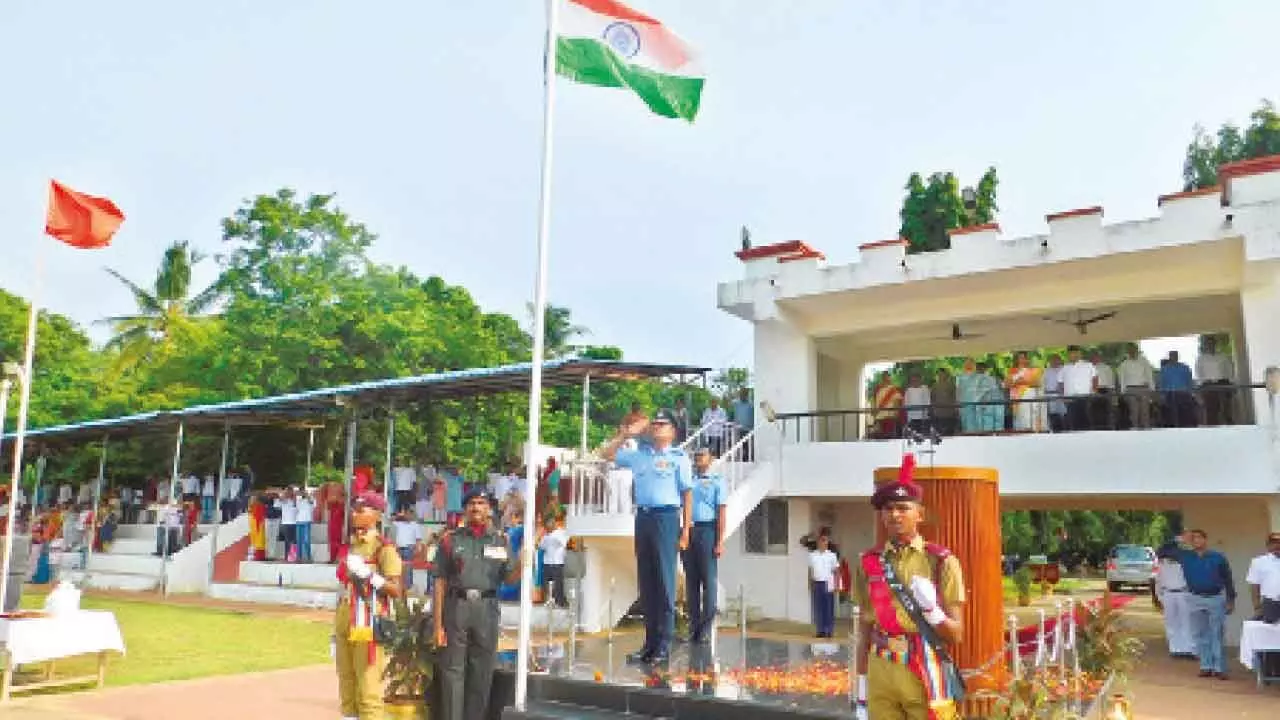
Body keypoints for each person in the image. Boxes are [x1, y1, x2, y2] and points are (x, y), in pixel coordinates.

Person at [853, 453, 965, 720]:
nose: (894, 514)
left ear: (920, 514)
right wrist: (860, 683)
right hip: (881, 664)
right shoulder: (868, 563)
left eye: (903, 508)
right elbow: (865, 626)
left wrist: (933, 611)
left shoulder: (941, 562)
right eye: (888, 508)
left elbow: (957, 634)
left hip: (923, 663)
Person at [601, 408, 693, 665]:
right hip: (643, 517)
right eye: (654, 424)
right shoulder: (639, 455)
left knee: (664, 582)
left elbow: (687, 495)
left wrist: (686, 530)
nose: (656, 427)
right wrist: (624, 434)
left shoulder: (679, 458)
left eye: (662, 424)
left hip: (666, 518)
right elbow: (607, 455)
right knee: (647, 582)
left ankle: (663, 644)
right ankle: (649, 644)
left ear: (673, 431)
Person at [433, 487, 520, 720]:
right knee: (453, 671)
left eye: (481, 503)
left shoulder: (500, 541)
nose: (476, 507)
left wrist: (523, 561)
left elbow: (510, 577)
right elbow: (440, 583)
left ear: (489, 508)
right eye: (471, 503)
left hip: (487, 609)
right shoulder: (450, 541)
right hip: (457, 608)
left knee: (481, 672)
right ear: (465, 509)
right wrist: (437, 625)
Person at [333, 491, 402, 720]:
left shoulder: (384, 548)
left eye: (362, 509)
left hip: (367, 620)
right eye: (354, 509)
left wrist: (370, 576)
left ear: (377, 516)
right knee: (346, 679)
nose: (355, 513)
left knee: (368, 684)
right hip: (345, 616)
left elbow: (396, 589)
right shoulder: (350, 544)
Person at [1174, 529, 1235, 679]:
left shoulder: (1217, 557)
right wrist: (1180, 539)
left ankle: (1219, 668)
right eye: (1193, 539)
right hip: (1195, 598)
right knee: (1200, 634)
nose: (1196, 541)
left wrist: (1231, 599)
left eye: (1199, 538)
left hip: (1215, 598)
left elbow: (1228, 579)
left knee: (1216, 633)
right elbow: (1162, 551)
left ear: (1205, 540)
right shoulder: (1186, 556)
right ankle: (1205, 666)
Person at [681, 447, 725, 645]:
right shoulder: (688, 479)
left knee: (708, 582)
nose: (698, 458)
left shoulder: (717, 481)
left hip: (708, 530)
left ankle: (706, 629)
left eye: (702, 455)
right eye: (696, 455)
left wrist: (720, 540)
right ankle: (693, 628)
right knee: (691, 582)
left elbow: (721, 512)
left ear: (711, 458)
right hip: (689, 530)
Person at [1155, 543, 1195, 658]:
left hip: (1183, 593)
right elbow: (1158, 581)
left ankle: (1188, 648)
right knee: (1171, 622)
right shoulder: (1162, 564)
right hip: (1168, 593)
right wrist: (1160, 597)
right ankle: (1175, 648)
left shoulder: (1184, 564)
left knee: (1186, 621)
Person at [809, 534, 839, 638]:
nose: (824, 543)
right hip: (817, 583)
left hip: (828, 583)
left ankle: (829, 630)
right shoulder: (812, 555)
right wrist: (810, 583)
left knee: (829, 607)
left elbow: (836, 571)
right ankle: (820, 630)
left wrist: (836, 584)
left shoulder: (832, 555)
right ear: (818, 543)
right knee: (818, 607)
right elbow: (811, 570)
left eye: (825, 541)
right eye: (822, 541)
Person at [1245, 532, 1280, 623]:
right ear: (1268, 545)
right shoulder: (1258, 562)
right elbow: (1254, 586)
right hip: (1270, 603)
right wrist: (1257, 608)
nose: (1277, 545)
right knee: (1270, 632)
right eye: (1274, 542)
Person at [539, 515, 569, 607]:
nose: (548, 527)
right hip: (547, 562)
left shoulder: (561, 533)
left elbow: (565, 543)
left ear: (553, 524)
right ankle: (548, 600)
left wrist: (552, 538)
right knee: (546, 583)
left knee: (558, 584)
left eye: (550, 524)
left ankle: (559, 602)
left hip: (557, 562)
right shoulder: (546, 536)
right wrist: (546, 538)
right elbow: (541, 546)